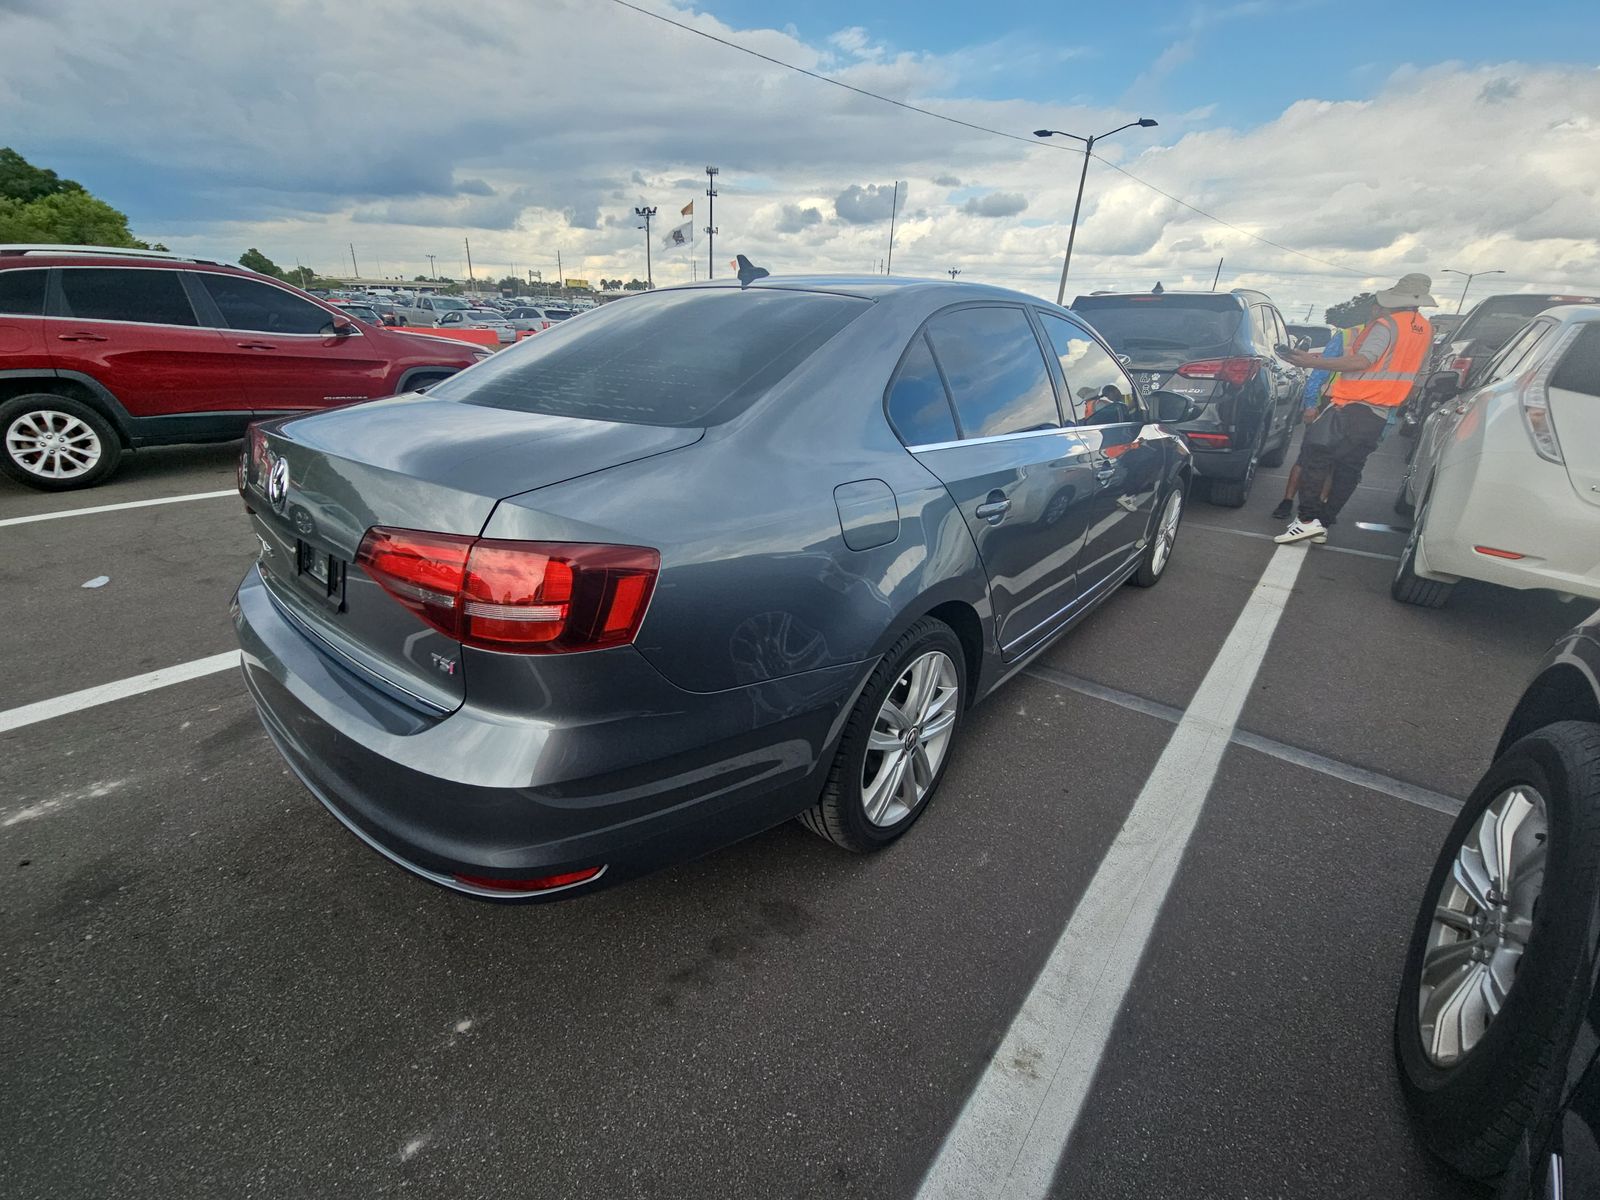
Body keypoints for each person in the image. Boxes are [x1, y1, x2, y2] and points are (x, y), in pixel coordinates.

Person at [1273, 274, 1436, 544]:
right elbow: (1422, 374)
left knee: (1315, 455)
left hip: (1353, 404)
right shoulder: (1426, 330)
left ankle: (1306, 520)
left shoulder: (1386, 325)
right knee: (1350, 467)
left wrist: (1311, 362)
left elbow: (1361, 361)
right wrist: (1397, 400)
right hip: (1381, 411)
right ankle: (1323, 522)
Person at [1269, 323, 1357, 521]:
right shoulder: (1349, 335)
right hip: (1328, 404)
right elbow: (1319, 371)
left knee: (1333, 463)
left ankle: (1318, 505)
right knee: (1307, 457)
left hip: (1357, 411)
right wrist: (1310, 404)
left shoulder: (1391, 338)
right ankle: (1288, 500)